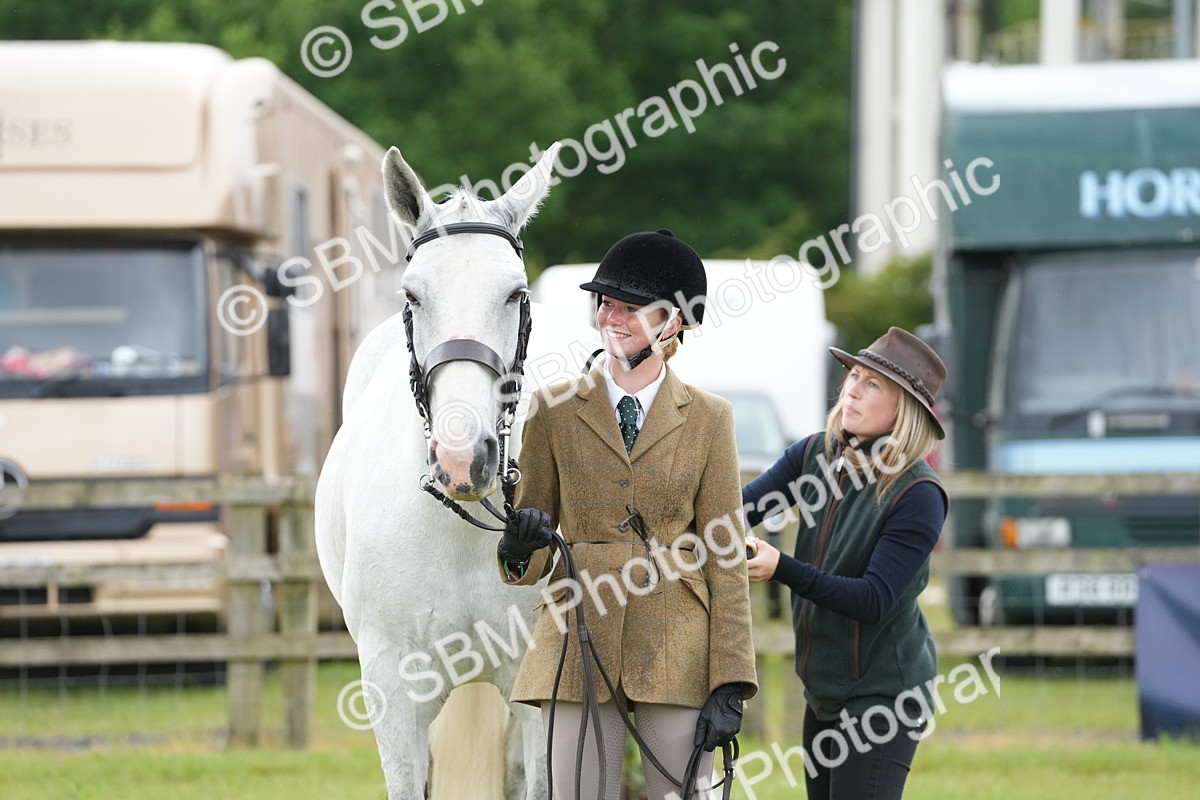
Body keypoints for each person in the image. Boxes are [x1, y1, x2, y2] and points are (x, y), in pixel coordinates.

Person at [497, 229, 758, 800]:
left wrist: (731, 681)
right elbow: (534, 550)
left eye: (630, 308)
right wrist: (518, 548)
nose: (610, 318)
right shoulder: (552, 410)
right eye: (605, 304)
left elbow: (726, 554)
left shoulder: (711, 418)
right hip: (577, 633)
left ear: (675, 323)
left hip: (677, 637)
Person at [743, 327, 949, 800]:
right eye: (853, 375)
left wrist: (782, 569)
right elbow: (739, 512)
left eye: (872, 384)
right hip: (824, 689)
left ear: (906, 410)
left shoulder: (919, 494)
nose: (851, 389)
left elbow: (873, 600)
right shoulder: (816, 453)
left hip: (884, 696)